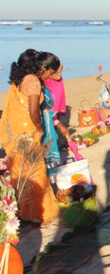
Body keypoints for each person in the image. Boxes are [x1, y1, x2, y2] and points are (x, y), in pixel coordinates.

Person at [0, 49, 60, 225]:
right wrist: (40, 127)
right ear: (42, 68)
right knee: (35, 173)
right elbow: (34, 111)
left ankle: (24, 212)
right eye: (51, 71)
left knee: (21, 174)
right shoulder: (33, 81)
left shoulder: (22, 78)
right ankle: (39, 214)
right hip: (27, 133)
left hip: (17, 133)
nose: (51, 75)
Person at [39, 53, 69, 181]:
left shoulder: (43, 80)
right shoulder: (39, 83)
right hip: (45, 120)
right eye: (51, 72)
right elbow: (43, 110)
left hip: (49, 117)